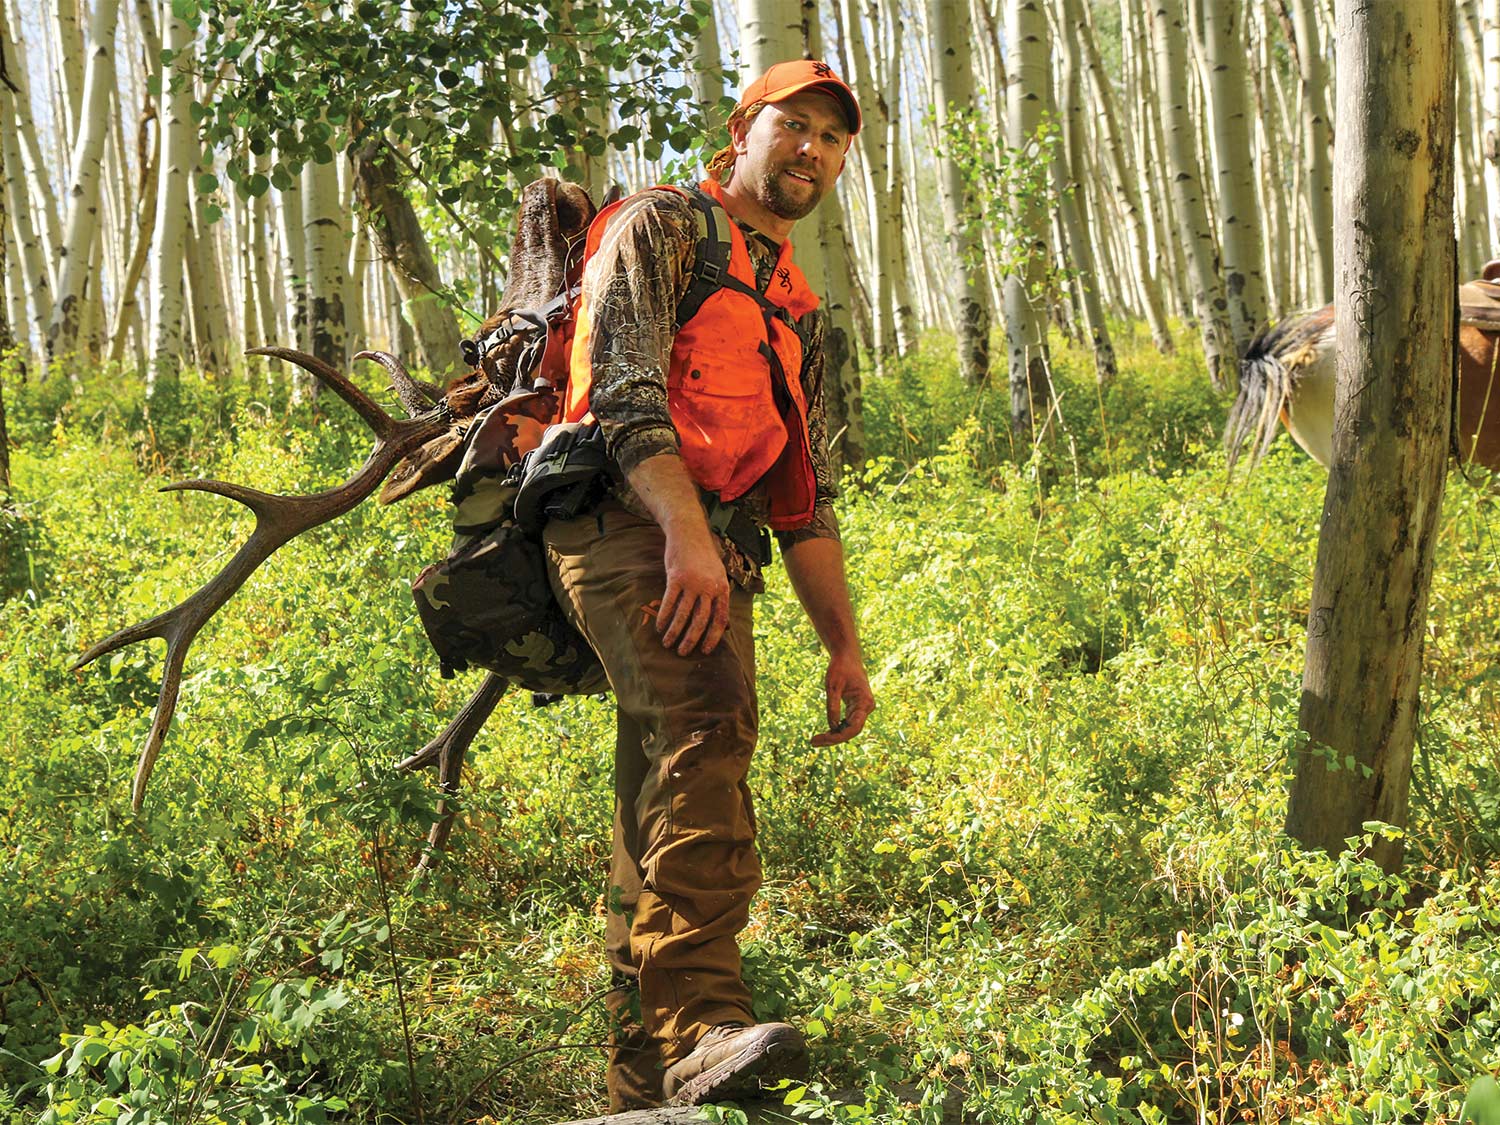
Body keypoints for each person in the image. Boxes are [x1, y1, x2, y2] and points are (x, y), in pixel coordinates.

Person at [544, 60, 876, 1111]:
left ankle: (640, 1088)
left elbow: (805, 494)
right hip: (620, 516)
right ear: (744, 131)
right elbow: (626, 396)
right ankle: (702, 1027)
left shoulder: (797, 307)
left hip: (708, 544)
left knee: (661, 786)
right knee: (710, 724)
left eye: (832, 137)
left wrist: (843, 645)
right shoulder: (662, 227)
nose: (813, 149)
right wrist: (685, 534)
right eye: (796, 125)